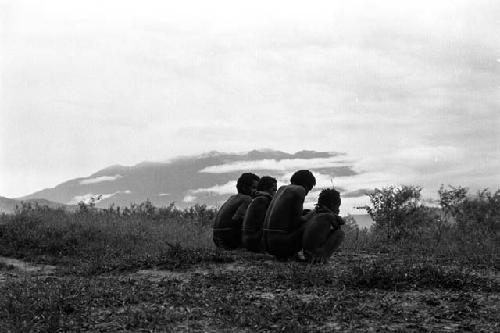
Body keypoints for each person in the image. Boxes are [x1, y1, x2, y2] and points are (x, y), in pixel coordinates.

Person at [262, 170, 316, 260]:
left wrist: (306, 213)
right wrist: (314, 212)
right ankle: (311, 255)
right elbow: (297, 222)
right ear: (306, 185)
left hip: (266, 244)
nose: (307, 193)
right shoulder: (300, 190)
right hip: (281, 246)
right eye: (309, 189)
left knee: (308, 214)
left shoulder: (281, 189)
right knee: (315, 219)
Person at [212, 173, 259, 250]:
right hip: (228, 238)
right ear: (244, 188)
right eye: (254, 188)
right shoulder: (247, 199)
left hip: (217, 237)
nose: (256, 191)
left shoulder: (232, 198)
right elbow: (237, 218)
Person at [302, 188, 345, 263]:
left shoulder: (314, 213)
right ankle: (321, 257)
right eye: (337, 206)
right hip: (314, 254)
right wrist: (333, 213)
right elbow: (341, 222)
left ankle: (317, 255)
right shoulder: (329, 216)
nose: (338, 209)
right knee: (340, 233)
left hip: (306, 253)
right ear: (332, 205)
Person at [241, 176, 278, 252]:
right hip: (254, 241)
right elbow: (266, 224)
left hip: (250, 239)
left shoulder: (259, 199)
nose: (275, 193)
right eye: (274, 190)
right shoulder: (262, 200)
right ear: (265, 188)